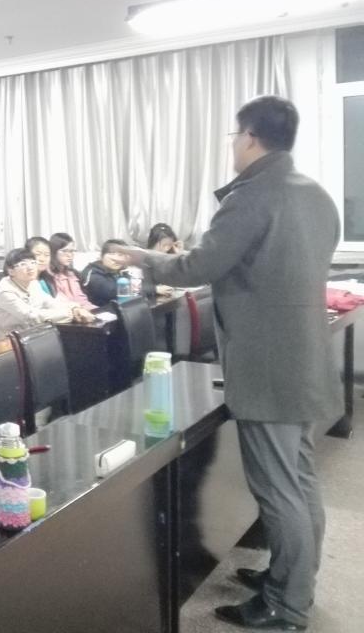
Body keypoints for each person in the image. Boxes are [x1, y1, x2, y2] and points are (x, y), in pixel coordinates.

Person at [119, 96, 340, 631]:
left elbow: (199, 265)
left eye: (234, 137)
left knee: (279, 490)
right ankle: (291, 579)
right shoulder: (315, 194)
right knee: (299, 481)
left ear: (249, 138)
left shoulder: (252, 195)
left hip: (268, 369)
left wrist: (142, 258)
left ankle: (287, 605)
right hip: (304, 361)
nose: (233, 147)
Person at [0, 249, 94, 342]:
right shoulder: (5, 292)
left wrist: (74, 308)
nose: (30, 267)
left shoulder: (33, 283)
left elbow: (50, 302)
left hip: (25, 335)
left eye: (32, 262)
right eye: (23, 264)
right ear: (11, 271)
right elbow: (31, 316)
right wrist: (70, 314)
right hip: (1, 341)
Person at [48, 233, 95, 309]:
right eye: (64, 251)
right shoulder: (48, 276)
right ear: (53, 251)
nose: (70, 255)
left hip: (84, 310)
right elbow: (61, 303)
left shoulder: (73, 273)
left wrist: (96, 310)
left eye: (72, 251)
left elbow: (82, 300)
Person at [79, 240, 132, 306]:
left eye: (120, 255)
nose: (116, 259)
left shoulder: (120, 271)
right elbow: (110, 293)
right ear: (102, 256)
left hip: (119, 308)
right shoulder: (92, 273)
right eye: (112, 254)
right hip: (98, 310)